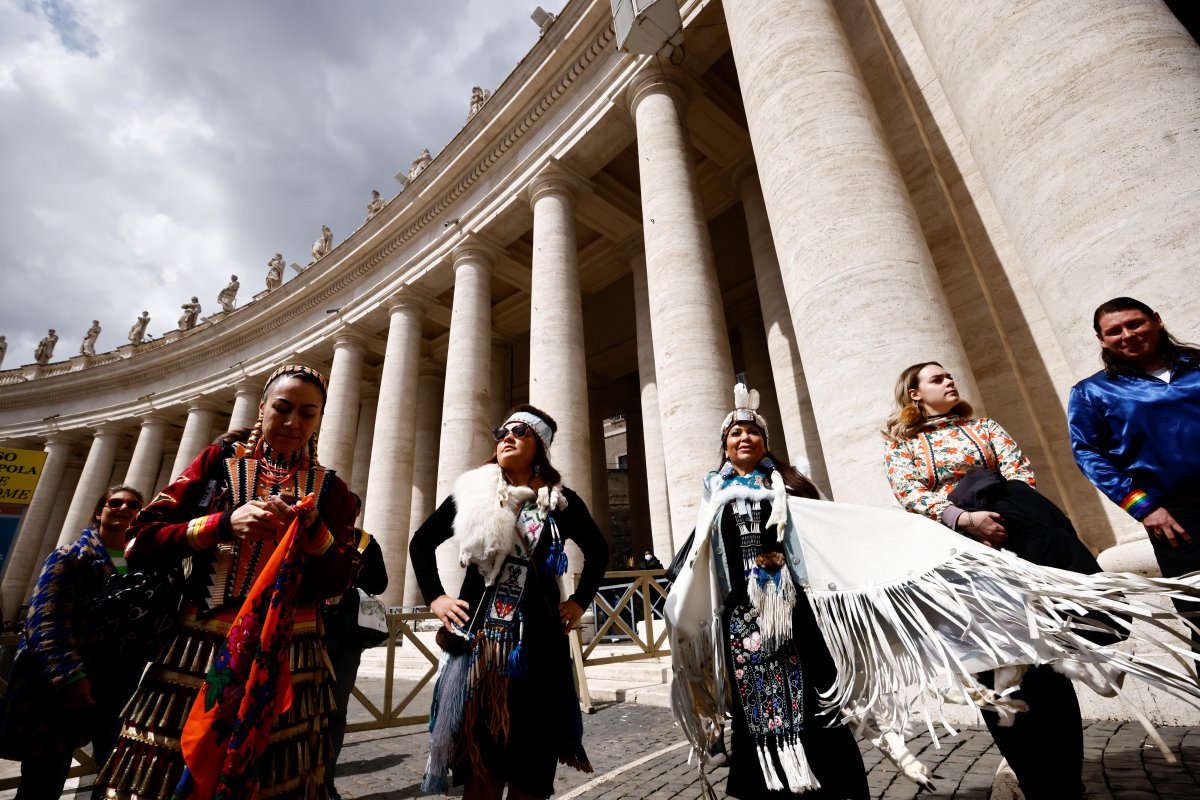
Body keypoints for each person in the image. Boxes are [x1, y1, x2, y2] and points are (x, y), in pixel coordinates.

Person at [95, 364, 360, 800]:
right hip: (198, 650)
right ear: (262, 408)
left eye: (308, 414)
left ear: (319, 420)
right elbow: (139, 541)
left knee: (275, 777)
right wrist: (220, 524)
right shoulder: (216, 466)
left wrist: (314, 532)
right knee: (169, 772)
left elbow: (340, 579)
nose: (294, 422)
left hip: (291, 655)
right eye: (283, 408)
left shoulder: (331, 490)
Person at [883, 361, 1091, 799]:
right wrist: (966, 519)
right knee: (989, 673)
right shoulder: (902, 448)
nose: (950, 380)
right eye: (937, 379)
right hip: (960, 572)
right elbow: (911, 494)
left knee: (1048, 666)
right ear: (914, 394)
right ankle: (1035, 782)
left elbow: (1020, 474)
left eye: (949, 375)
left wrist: (1003, 518)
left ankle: (1068, 781)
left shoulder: (987, 428)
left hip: (1016, 555)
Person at [670, 384, 871, 799]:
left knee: (814, 701)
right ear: (725, 448)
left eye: (752, 432)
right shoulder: (715, 496)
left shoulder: (791, 486)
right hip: (742, 617)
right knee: (755, 711)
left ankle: (831, 784)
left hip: (796, 612)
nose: (744, 438)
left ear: (764, 443)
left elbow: (824, 537)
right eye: (734, 434)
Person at [412, 404, 608, 799]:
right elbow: (421, 543)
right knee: (483, 764)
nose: (507, 437)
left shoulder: (561, 501)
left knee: (532, 770)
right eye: (502, 431)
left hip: (539, 648)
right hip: (481, 647)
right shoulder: (471, 492)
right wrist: (436, 598)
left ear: (541, 447)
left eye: (521, 432)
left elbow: (599, 551)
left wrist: (580, 602)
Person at [1069, 297, 1200, 653]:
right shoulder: (1092, 392)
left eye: (1135, 324)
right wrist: (1144, 507)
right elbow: (1089, 454)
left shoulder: (1198, 365)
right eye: (1114, 331)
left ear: (1156, 320)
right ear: (1101, 339)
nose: (1127, 335)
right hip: (1177, 521)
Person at [0, 485, 144, 800]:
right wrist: (69, 676)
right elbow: (44, 620)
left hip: (112, 686)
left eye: (133, 505)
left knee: (113, 776)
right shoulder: (70, 555)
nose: (123, 508)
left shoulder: (137, 565)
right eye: (114, 502)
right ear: (99, 512)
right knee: (44, 781)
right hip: (64, 687)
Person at [322, 502, 389, 800]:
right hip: (309, 631)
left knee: (336, 710)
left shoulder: (365, 542)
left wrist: (355, 565)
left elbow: (381, 582)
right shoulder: (317, 534)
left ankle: (326, 780)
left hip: (347, 636)